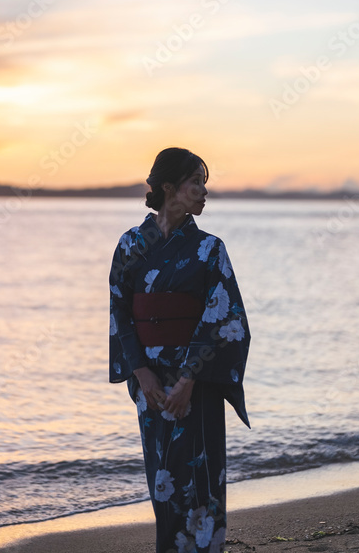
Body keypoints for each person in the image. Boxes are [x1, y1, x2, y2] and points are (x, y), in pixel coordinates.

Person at [109, 147, 251, 553]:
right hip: (151, 384)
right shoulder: (131, 244)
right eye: (196, 183)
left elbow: (225, 319)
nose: (204, 192)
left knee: (201, 477)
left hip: (197, 383)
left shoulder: (210, 249)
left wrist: (188, 379)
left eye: (205, 184)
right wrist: (141, 373)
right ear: (169, 187)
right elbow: (120, 310)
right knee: (164, 477)